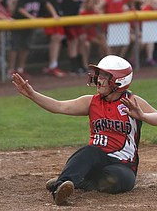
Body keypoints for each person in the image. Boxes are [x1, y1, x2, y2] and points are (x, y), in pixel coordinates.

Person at [12, 54, 156, 205]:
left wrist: (143, 116)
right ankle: (60, 186)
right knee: (89, 151)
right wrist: (32, 94)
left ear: (119, 81)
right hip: (95, 157)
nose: (99, 80)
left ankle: (79, 180)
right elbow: (58, 106)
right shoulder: (91, 102)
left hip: (124, 164)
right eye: (99, 75)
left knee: (113, 181)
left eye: (105, 76)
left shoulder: (132, 101)